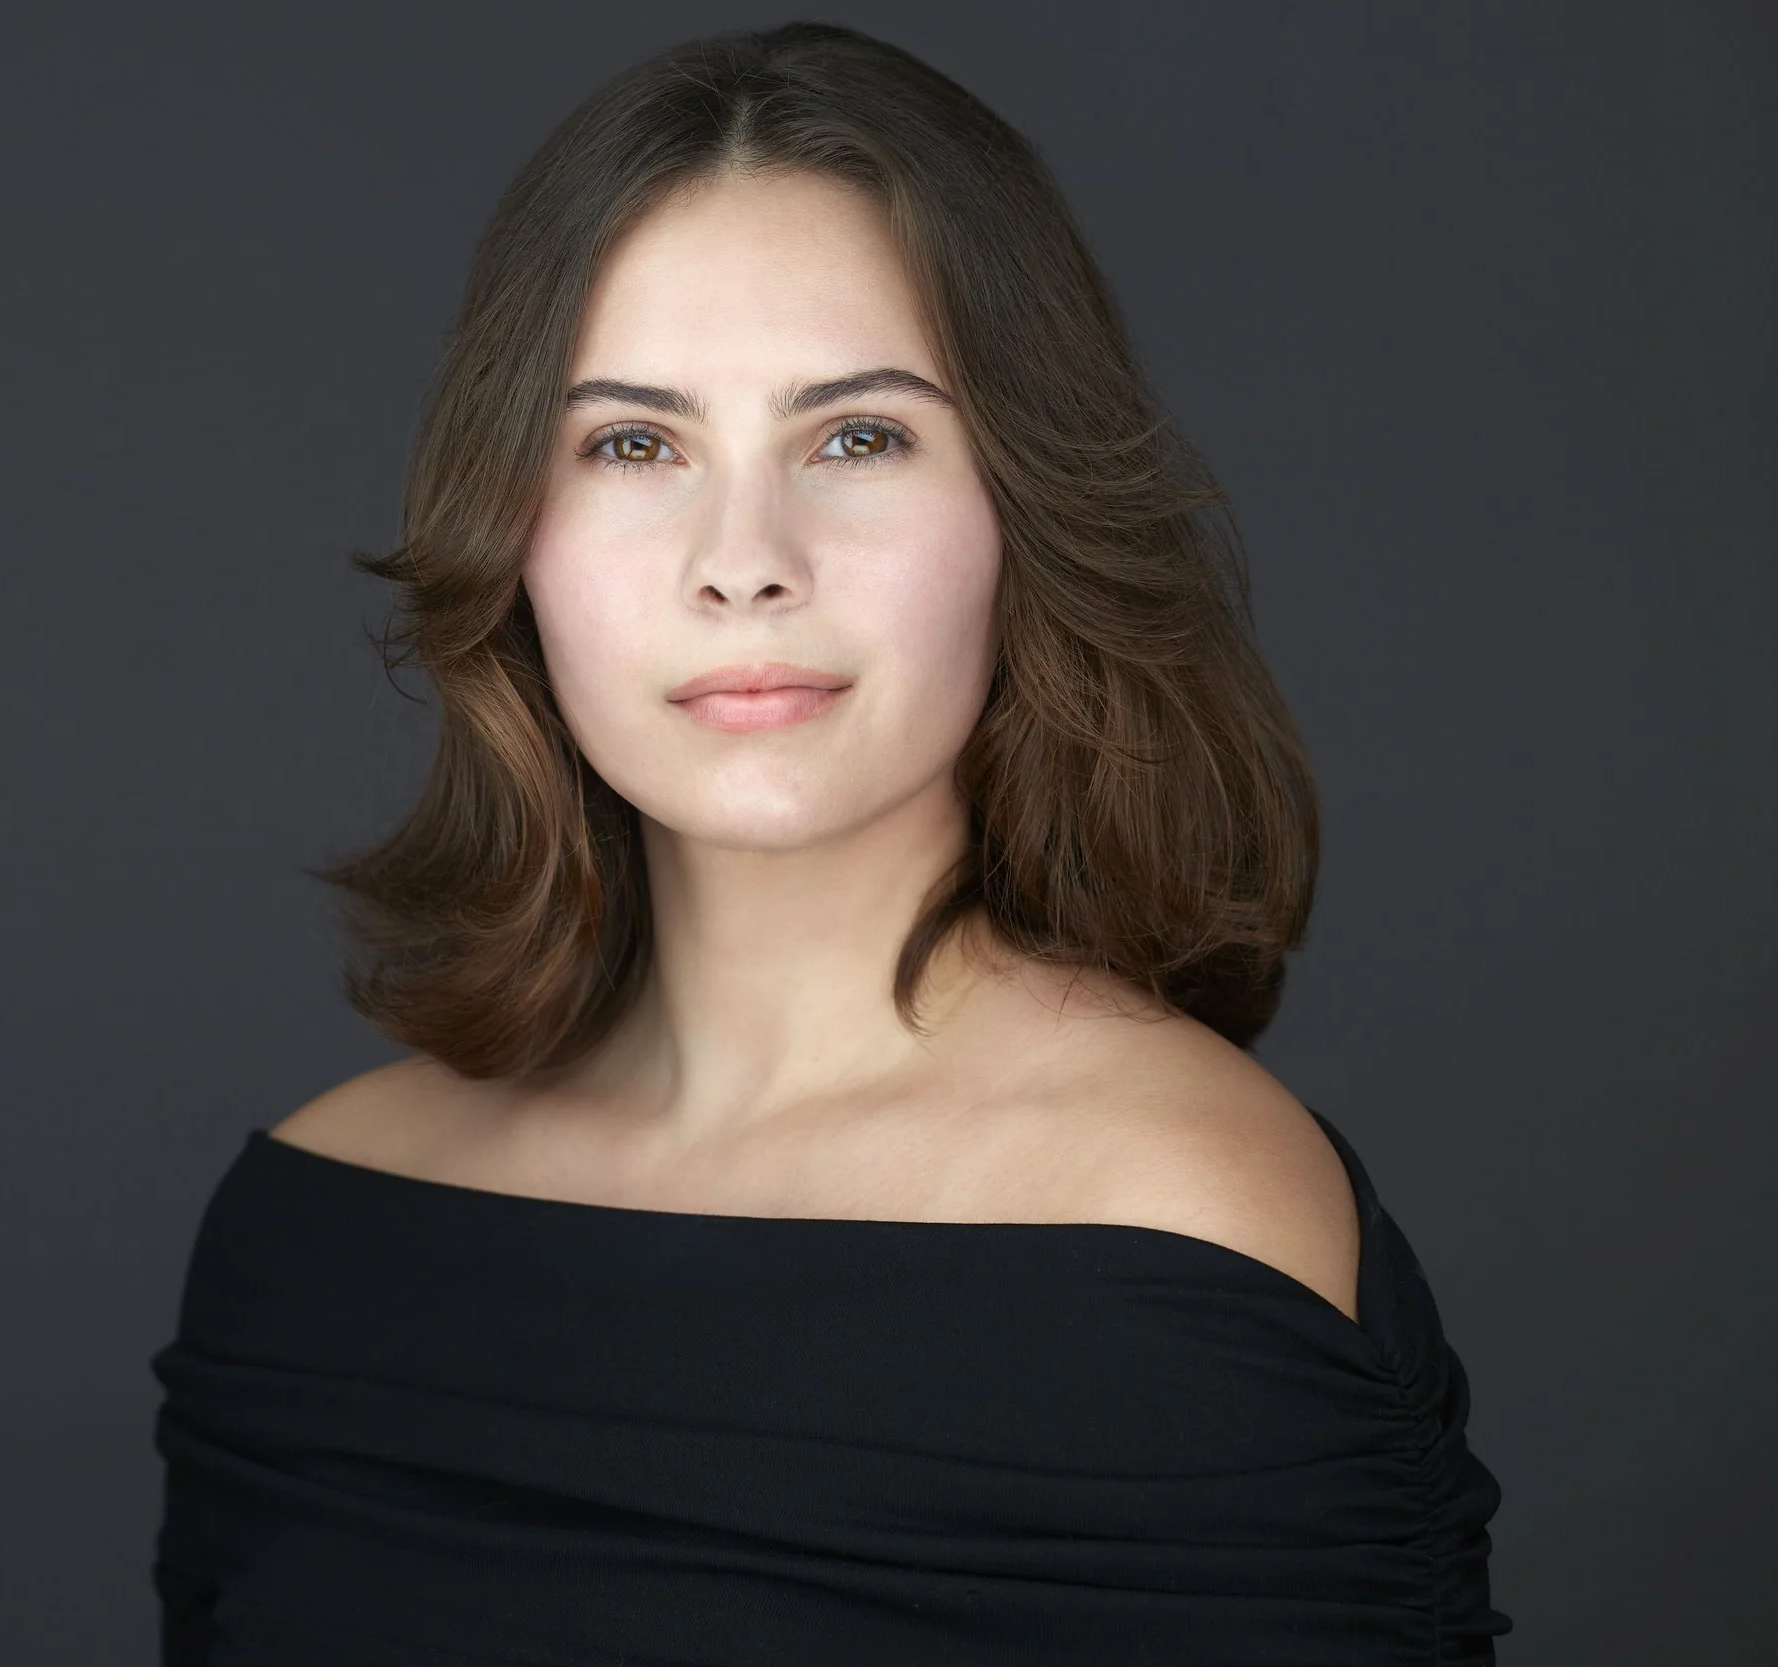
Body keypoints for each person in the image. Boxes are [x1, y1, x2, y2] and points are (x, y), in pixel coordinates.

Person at [150, 21, 1509, 1664]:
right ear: (513, 536)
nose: (744, 561)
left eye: (856, 435)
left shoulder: (1179, 1229)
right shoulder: (315, 1225)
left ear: (1023, 504)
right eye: (634, 444)